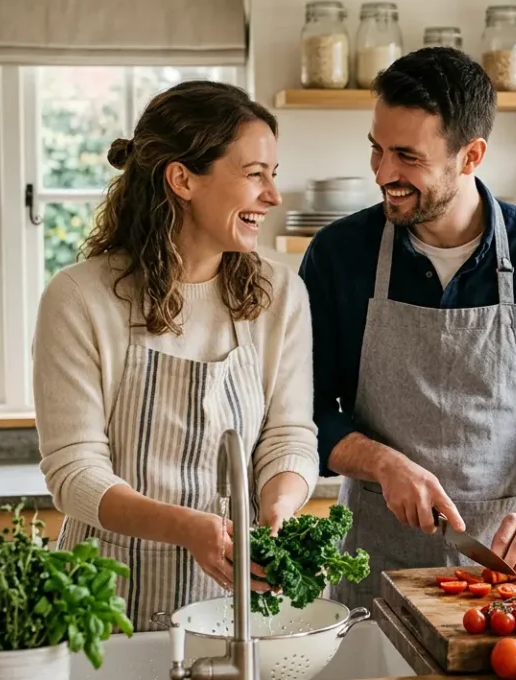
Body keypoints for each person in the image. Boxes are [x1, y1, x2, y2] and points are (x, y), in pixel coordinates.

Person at [299, 47, 516, 612]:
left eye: (406, 156)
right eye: (376, 148)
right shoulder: (338, 255)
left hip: (507, 573)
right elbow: (305, 412)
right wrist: (384, 464)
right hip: (376, 570)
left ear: (471, 155)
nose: (382, 173)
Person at [32, 81, 319, 631]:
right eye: (254, 173)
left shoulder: (280, 295)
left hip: (238, 600)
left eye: (272, 175)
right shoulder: (79, 298)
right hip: (104, 599)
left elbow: (289, 435)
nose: (273, 196)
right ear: (183, 179)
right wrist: (187, 526)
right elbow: (75, 472)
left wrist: (280, 503)